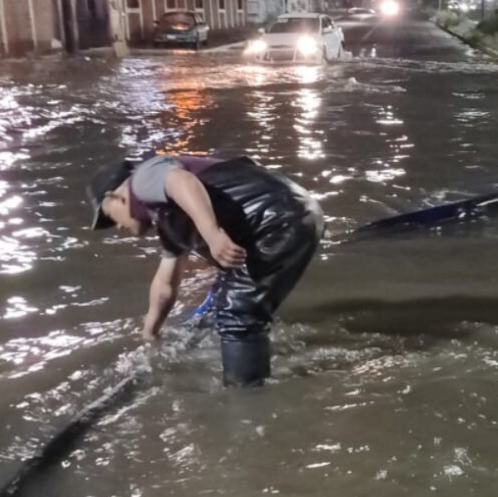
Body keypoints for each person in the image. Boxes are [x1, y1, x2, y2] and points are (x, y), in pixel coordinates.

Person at [89, 154, 325, 387]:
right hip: (291, 214)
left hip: (276, 218)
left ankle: (246, 396)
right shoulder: (166, 219)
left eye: (111, 218)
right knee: (227, 299)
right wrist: (151, 332)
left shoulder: (142, 179)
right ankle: (248, 359)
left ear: (117, 197)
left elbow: (181, 182)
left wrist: (212, 234)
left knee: (238, 312)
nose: (118, 227)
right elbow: (166, 282)